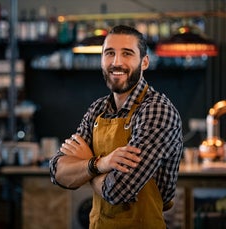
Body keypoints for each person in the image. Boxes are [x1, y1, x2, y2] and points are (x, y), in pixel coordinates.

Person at [49, 24, 183, 228]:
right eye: (109, 53)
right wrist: (99, 164)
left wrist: (85, 165)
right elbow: (57, 172)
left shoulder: (157, 110)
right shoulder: (97, 109)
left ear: (144, 62)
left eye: (127, 54)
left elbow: (119, 191)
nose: (116, 62)